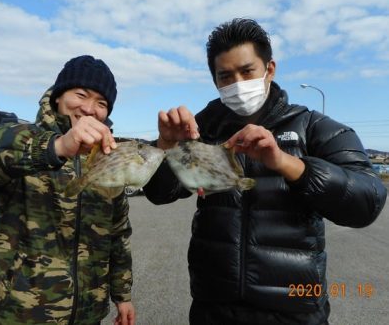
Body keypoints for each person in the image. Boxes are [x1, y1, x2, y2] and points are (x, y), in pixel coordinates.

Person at [143, 18, 387, 324]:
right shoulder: (201, 130)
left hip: (294, 310)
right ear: (215, 81)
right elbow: (160, 193)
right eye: (226, 76)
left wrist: (287, 163)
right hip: (214, 307)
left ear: (269, 69)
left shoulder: (313, 127)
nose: (237, 85)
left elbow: (368, 201)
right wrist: (167, 147)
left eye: (247, 72)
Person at [0, 55, 136, 325]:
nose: (90, 109)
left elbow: (118, 232)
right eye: (81, 94)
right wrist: (55, 147)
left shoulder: (107, 159)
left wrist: (122, 295)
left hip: (86, 315)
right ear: (57, 97)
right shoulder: (20, 139)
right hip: (11, 315)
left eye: (101, 103)